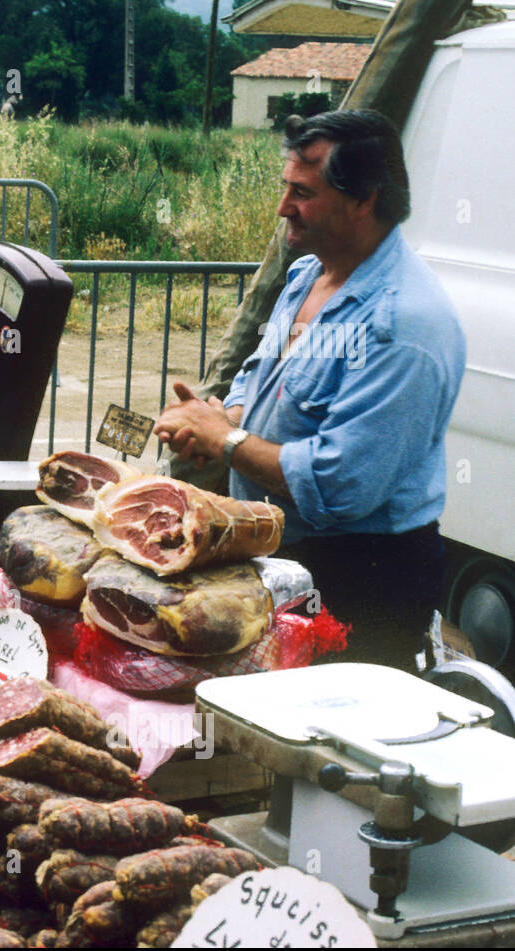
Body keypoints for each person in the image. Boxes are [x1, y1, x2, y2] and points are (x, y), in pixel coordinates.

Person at [153, 109, 465, 670]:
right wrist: (219, 420)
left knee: (330, 746)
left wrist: (226, 440)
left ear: (363, 198)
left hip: (363, 576)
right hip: (282, 555)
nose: (282, 207)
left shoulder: (402, 323)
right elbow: (257, 376)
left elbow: (341, 486)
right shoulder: (306, 277)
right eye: (285, 188)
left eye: (303, 192)